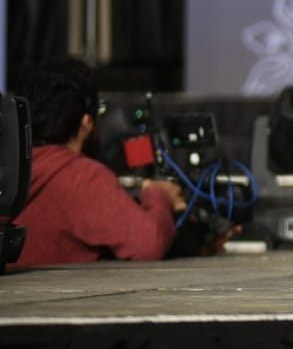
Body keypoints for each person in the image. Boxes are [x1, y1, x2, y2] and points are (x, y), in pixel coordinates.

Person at [10, 59, 181, 268]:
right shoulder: (79, 176)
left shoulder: (10, 171)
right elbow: (148, 242)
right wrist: (159, 195)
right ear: (86, 123)